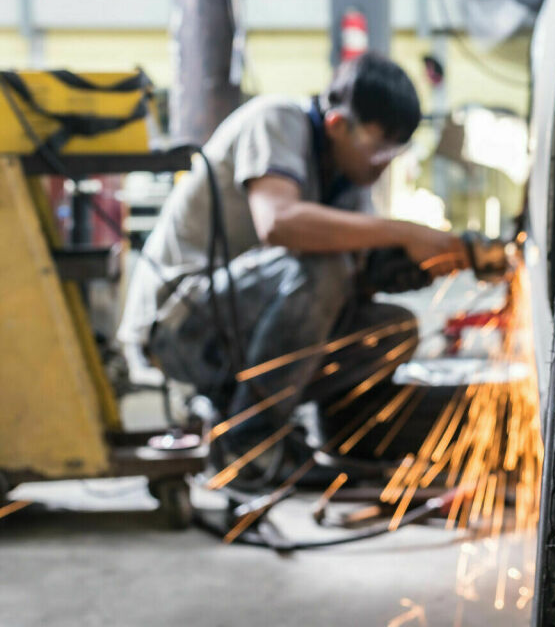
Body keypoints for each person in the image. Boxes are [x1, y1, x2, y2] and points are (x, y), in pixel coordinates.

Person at [117, 53, 464, 447]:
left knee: (391, 331)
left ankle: (333, 442)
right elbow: (279, 224)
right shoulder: (276, 120)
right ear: (337, 124)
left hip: (241, 326)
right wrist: (402, 232)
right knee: (326, 267)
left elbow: (348, 278)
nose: (382, 168)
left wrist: (405, 263)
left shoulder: (347, 180)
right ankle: (252, 444)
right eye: (379, 154)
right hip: (179, 325)